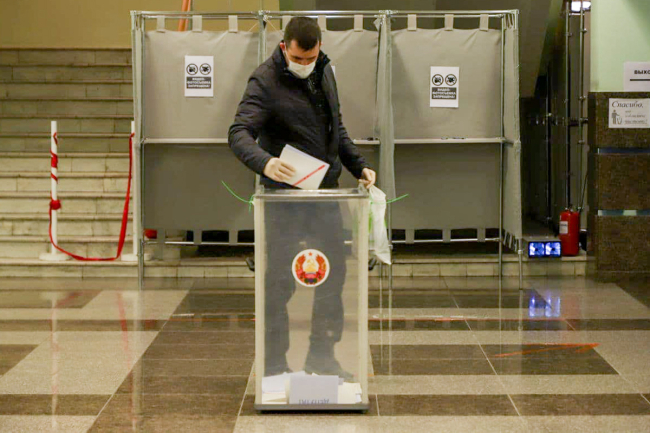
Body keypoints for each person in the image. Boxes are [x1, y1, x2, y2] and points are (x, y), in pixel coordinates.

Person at [229, 17, 376, 381]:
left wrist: (359, 165)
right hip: (283, 200)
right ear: (284, 47)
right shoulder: (265, 80)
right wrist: (265, 162)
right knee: (280, 281)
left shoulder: (323, 72)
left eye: (311, 58)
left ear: (319, 49)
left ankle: (321, 357)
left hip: (324, 194)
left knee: (332, 275)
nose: (305, 64)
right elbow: (239, 132)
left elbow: (335, 128)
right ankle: (274, 365)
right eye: (298, 58)